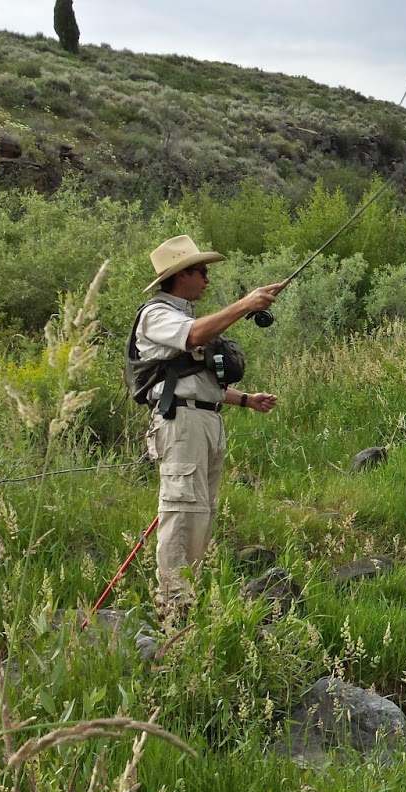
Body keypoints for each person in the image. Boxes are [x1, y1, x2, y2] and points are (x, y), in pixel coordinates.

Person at [131, 234, 284, 625]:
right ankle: (173, 613)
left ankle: (187, 603)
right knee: (182, 512)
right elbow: (194, 336)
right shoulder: (157, 314)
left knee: (201, 513)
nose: (207, 279)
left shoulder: (182, 315)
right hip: (181, 425)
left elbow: (197, 380)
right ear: (181, 275)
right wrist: (246, 303)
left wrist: (246, 399)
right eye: (201, 271)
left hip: (204, 421)